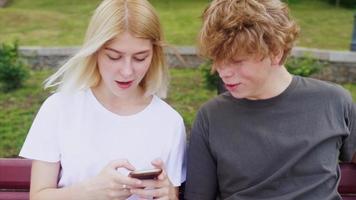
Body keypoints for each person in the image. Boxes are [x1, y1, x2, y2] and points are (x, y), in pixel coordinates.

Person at [185, 0, 356, 199]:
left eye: (237, 61)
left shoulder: (334, 102)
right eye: (217, 60)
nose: (223, 72)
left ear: (275, 52)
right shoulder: (211, 117)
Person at [19, 0, 186, 199]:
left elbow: (172, 194)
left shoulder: (169, 122)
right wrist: (89, 191)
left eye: (140, 58)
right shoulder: (59, 109)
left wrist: (167, 195)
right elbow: (38, 196)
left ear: (154, 55)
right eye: (114, 57)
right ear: (95, 51)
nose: (127, 71)